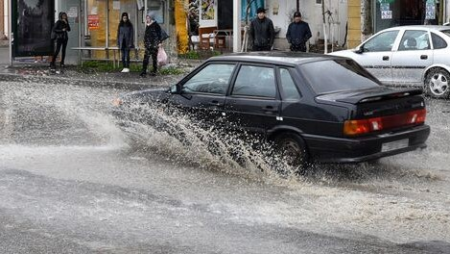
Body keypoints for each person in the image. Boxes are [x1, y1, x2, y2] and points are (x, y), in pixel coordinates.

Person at [140, 12, 163, 77]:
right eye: (146, 17)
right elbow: (146, 35)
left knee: (154, 58)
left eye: (148, 17)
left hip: (154, 45)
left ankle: (154, 71)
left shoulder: (155, 24)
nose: (147, 19)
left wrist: (160, 42)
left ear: (151, 18)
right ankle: (143, 71)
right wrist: (145, 42)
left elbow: (159, 34)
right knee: (146, 58)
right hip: (148, 44)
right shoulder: (147, 25)